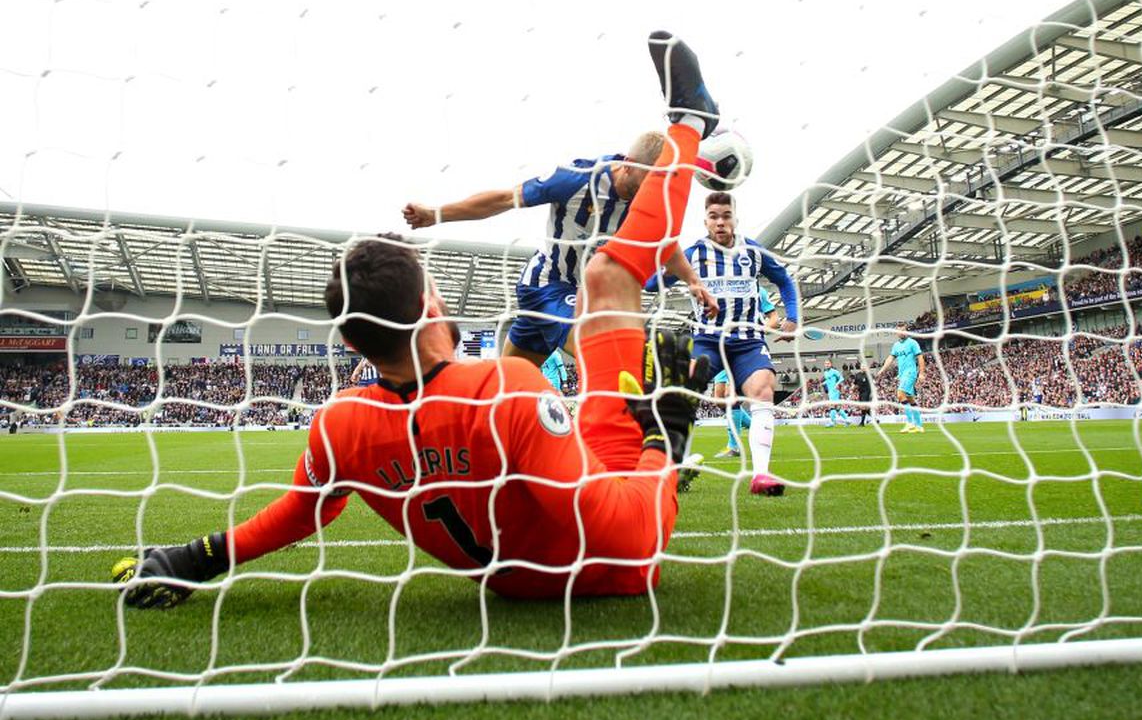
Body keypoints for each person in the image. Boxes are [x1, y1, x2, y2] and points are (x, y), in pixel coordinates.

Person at [114, 30, 721, 606]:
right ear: (433, 306)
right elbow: (628, 536)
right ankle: (690, 125)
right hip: (619, 563)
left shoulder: (341, 424)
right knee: (607, 282)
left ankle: (688, 129)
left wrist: (197, 557)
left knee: (589, 313)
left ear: (353, 343)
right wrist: (659, 449)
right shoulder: (505, 386)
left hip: (510, 581)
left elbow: (303, 512)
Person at [403, 130, 674, 369]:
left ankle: (477, 406)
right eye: (653, 176)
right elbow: (504, 198)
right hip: (548, 285)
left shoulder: (651, 204)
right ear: (628, 165)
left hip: (585, 294)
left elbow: (658, 250)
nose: (658, 186)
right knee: (596, 345)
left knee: (508, 385)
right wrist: (435, 214)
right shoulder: (577, 178)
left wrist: (691, 280)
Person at [648, 192, 799, 496]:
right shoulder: (692, 254)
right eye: (714, 216)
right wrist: (662, 257)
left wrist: (793, 317)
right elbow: (652, 285)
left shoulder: (752, 252)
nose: (720, 221)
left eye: (726, 215)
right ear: (705, 222)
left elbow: (785, 281)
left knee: (763, 389)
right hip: (707, 338)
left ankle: (761, 475)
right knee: (684, 389)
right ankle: (674, 466)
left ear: (735, 219)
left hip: (746, 341)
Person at [712, 288, 778, 458]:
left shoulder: (758, 290)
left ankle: (734, 446)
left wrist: (758, 331)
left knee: (730, 396)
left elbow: (774, 319)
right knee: (719, 400)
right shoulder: (717, 285)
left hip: (743, 349)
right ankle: (752, 423)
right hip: (719, 347)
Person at [877, 323, 926, 433]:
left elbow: (920, 357)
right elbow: (890, 358)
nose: (901, 332)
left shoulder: (912, 343)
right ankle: (919, 425)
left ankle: (910, 423)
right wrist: (882, 370)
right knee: (910, 399)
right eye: (899, 331)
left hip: (911, 373)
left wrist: (922, 373)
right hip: (902, 374)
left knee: (900, 394)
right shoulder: (896, 346)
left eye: (903, 330)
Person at [822, 359, 850, 427]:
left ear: (831, 364)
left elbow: (842, 378)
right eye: (826, 363)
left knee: (832, 406)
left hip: (834, 391)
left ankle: (833, 422)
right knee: (837, 408)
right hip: (830, 391)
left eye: (828, 363)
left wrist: (836, 384)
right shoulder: (825, 373)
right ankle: (847, 420)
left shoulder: (834, 371)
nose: (827, 365)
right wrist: (823, 383)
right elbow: (828, 381)